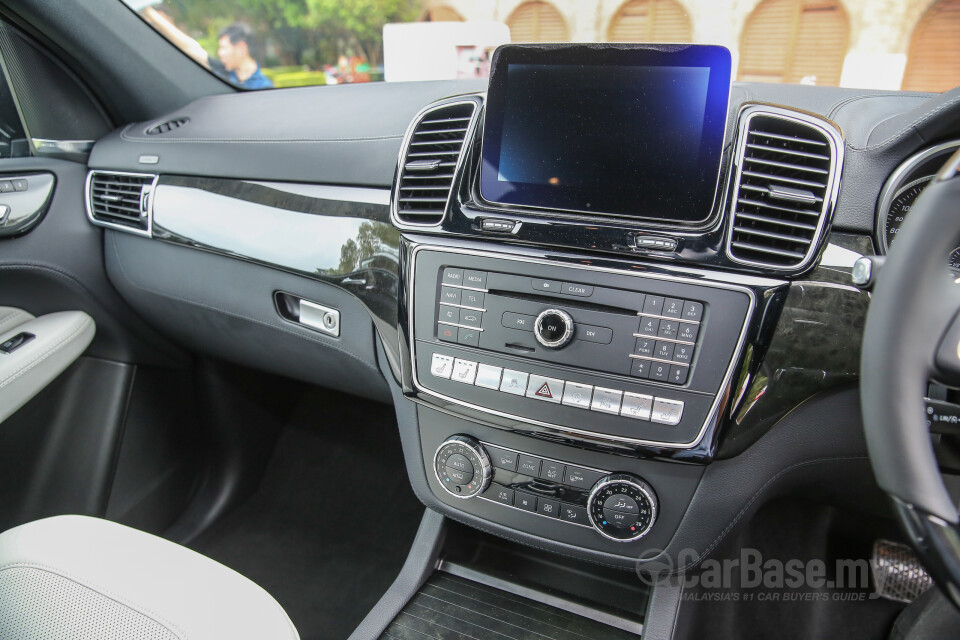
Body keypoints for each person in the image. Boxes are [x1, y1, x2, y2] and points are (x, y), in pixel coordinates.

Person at [142, 7, 273, 90]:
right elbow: (191, 48)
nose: (219, 53)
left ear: (241, 48)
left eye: (223, 47)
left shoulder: (264, 88)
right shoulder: (221, 71)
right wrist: (152, 14)